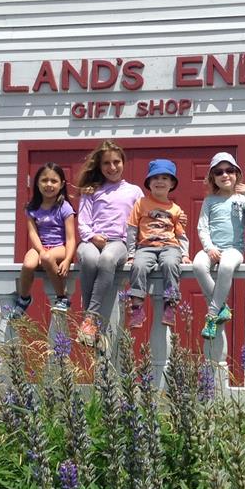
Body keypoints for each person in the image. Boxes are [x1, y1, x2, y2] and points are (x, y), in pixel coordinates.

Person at [75, 141, 143, 346]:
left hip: (119, 242)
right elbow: (83, 221)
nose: (112, 167)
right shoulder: (91, 191)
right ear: (99, 165)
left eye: (116, 162)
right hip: (92, 239)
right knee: (89, 259)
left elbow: (144, 219)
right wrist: (92, 237)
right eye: (106, 163)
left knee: (106, 259)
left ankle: (90, 318)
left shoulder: (134, 191)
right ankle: (90, 325)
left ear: (123, 163)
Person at [193, 151, 245, 340]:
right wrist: (209, 248)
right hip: (212, 248)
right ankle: (222, 307)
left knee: (226, 266)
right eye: (219, 172)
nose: (225, 175)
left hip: (233, 250)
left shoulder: (242, 199)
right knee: (198, 265)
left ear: (236, 174)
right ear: (213, 178)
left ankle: (212, 314)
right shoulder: (209, 200)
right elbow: (202, 227)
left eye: (229, 170)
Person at [126, 159, 190, 329]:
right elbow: (132, 229)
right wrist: (131, 254)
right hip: (145, 247)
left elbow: (180, 234)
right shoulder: (141, 203)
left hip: (170, 246)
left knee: (170, 264)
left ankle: (170, 305)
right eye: (155, 178)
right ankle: (137, 307)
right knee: (138, 266)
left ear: (172, 184)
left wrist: (185, 254)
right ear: (149, 183)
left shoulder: (175, 209)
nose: (159, 181)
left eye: (164, 178)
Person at [13, 162, 77, 319]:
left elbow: (70, 238)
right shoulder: (32, 208)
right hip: (40, 247)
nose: (49, 184)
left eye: (54, 181)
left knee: (47, 258)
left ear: (62, 184)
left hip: (60, 247)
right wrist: (41, 250)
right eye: (44, 180)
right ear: (37, 183)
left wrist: (68, 259)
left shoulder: (64, 207)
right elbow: (33, 233)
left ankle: (62, 298)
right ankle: (24, 298)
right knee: (28, 264)